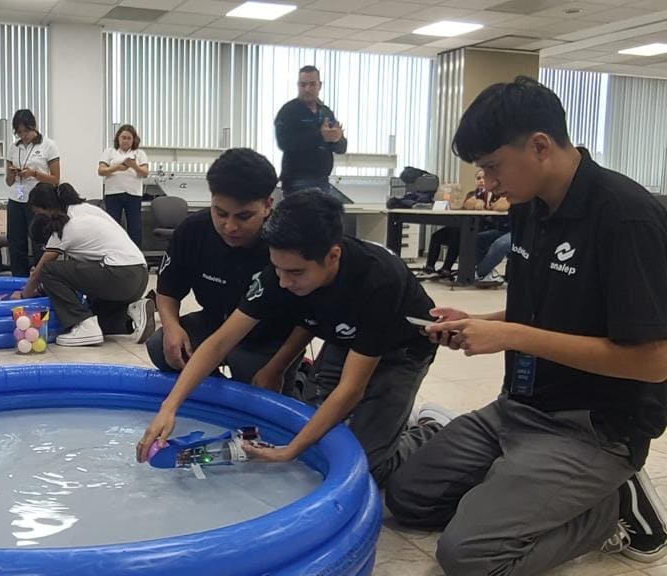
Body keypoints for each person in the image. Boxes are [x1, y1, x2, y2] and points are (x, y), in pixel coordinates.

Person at [385, 76, 667, 575]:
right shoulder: (530, 208)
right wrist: (480, 323)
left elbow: (652, 362)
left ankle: (607, 509)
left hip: (593, 429)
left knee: (468, 557)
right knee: (407, 496)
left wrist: (510, 336)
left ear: (539, 146)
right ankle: (523, 489)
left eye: (493, 167)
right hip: (518, 407)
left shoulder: (626, 218)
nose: (486, 184)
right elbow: (544, 316)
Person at [137, 189, 440, 487]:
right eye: (278, 269)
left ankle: (431, 430)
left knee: (369, 468)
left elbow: (351, 389)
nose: (283, 282)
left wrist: (290, 451)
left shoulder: (378, 280)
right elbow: (219, 342)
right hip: (343, 337)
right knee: (312, 429)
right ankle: (386, 418)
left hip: (401, 350)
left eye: (295, 272)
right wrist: (170, 407)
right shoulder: (280, 275)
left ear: (333, 256)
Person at [146, 148, 299, 391]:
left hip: (269, 336)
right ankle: (213, 395)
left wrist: (278, 367)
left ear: (268, 205)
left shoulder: (286, 242)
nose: (230, 227)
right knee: (161, 346)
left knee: (250, 371)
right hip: (215, 321)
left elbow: (309, 320)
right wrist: (172, 327)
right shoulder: (193, 231)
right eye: (221, 213)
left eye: (243, 216)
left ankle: (295, 379)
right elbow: (167, 290)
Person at [13, 183, 154, 347]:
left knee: (48, 270)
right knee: (96, 314)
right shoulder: (85, 209)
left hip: (121, 275)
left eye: (38, 213)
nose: (37, 218)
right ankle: (131, 314)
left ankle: (83, 325)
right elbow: (76, 275)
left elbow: (41, 271)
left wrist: (23, 297)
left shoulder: (66, 226)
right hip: (137, 275)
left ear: (48, 208)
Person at [274, 65, 347, 197]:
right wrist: (320, 136)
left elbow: (341, 148)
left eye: (312, 84)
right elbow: (284, 143)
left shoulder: (325, 111)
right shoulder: (288, 111)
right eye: (303, 85)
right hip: (297, 182)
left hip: (323, 181)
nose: (307, 89)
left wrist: (337, 139)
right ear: (298, 85)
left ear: (320, 85)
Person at [5, 109, 59, 278]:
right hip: (16, 199)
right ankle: (18, 279)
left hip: (38, 201)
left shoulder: (48, 145)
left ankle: (42, 278)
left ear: (33, 126)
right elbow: (8, 181)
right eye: (19, 132)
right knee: (15, 242)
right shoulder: (14, 148)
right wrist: (13, 173)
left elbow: (55, 179)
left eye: (26, 131)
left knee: (39, 242)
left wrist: (34, 173)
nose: (23, 135)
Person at [99, 124, 149, 247]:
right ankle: (111, 252)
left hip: (133, 194)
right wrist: (117, 167)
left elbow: (145, 173)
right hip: (113, 194)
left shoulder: (139, 153)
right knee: (112, 226)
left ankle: (135, 256)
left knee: (135, 227)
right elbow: (101, 171)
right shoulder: (110, 152)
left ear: (133, 140)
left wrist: (133, 165)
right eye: (123, 137)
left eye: (129, 138)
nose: (126, 140)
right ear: (118, 138)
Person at [463, 168, 512, 287]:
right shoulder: (482, 192)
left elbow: (502, 205)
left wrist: (489, 205)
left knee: (500, 245)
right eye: (479, 178)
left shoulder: (508, 189)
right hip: (501, 229)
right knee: (478, 239)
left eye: (484, 178)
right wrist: (478, 201)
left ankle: (480, 273)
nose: (482, 181)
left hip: (518, 230)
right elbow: (468, 205)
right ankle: (483, 273)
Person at [422, 184, 466, 278]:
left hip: (465, 229)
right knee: (436, 236)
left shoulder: (468, 196)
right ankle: (430, 266)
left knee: (455, 237)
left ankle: (446, 267)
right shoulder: (470, 194)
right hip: (453, 227)